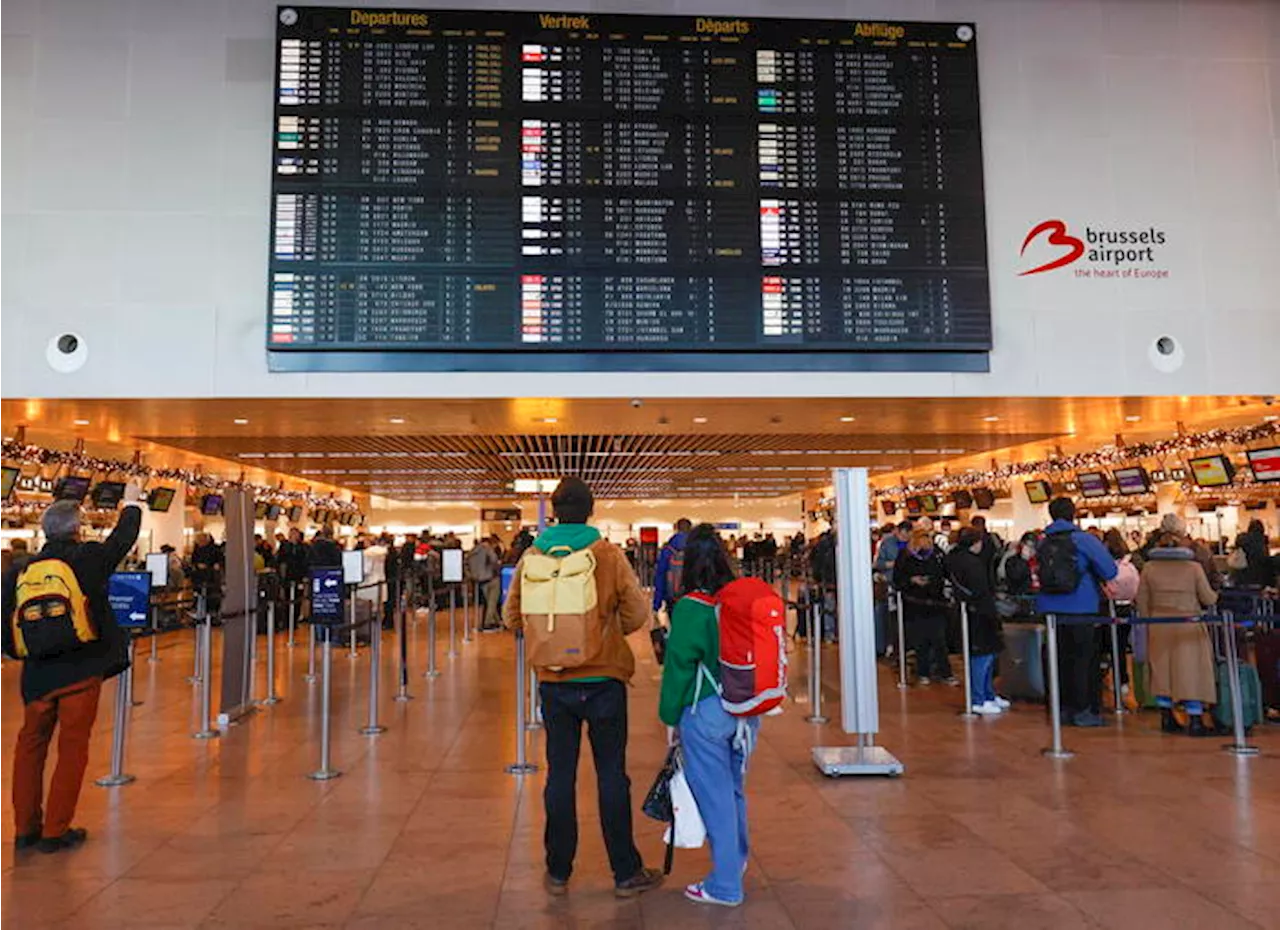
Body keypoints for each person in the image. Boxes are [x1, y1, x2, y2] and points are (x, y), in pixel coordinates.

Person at [502, 478, 662, 900]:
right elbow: (637, 611)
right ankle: (625, 872)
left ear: (554, 511)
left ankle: (557, 870)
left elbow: (511, 615)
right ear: (591, 511)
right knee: (612, 773)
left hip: (554, 682)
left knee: (560, 773)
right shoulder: (607, 554)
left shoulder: (533, 554)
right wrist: (604, 636)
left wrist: (547, 637)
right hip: (605, 679)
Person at [0, 483, 143, 853]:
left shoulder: (20, 570)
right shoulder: (87, 559)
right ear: (78, 529)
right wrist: (130, 502)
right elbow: (122, 539)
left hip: (37, 678)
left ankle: (24, 829)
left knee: (29, 748)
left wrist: (21, 653)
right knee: (72, 750)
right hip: (80, 670)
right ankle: (55, 830)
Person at [658, 524, 760, 908]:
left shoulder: (691, 607)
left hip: (707, 711)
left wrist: (670, 716)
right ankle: (737, 859)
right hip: (746, 710)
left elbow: (679, 667)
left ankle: (725, 885)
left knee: (713, 795)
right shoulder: (740, 599)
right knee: (733, 790)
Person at [1035, 497, 1118, 728]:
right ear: (1074, 514)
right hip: (1081, 608)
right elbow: (1110, 570)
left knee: (1056, 660)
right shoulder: (1084, 540)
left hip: (1050, 610)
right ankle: (1083, 711)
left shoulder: (1043, 541)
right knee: (1083, 661)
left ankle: (1060, 708)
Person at [1138, 532, 1219, 736]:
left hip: (1158, 624)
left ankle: (1167, 717)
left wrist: (1150, 621)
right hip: (1188, 624)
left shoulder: (1149, 568)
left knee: (1162, 670)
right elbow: (1208, 599)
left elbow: (1142, 601)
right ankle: (1195, 718)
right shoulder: (1193, 568)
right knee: (1192, 671)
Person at [948, 526, 1006, 714]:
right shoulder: (972, 563)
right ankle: (979, 698)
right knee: (982, 657)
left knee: (984, 657)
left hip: (968, 612)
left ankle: (987, 695)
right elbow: (981, 589)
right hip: (979, 613)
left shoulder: (954, 559)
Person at [893, 529, 955, 685]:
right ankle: (923, 672)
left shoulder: (937, 555)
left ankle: (944, 672)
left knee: (939, 640)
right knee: (921, 641)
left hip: (935, 603)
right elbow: (897, 579)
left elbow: (946, 573)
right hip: (915, 605)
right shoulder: (905, 556)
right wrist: (911, 581)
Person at [653, 518, 692, 617]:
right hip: (692, 598)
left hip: (672, 598)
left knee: (675, 627)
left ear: (676, 528)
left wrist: (656, 604)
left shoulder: (668, 550)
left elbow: (660, 576)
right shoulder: (696, 548)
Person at [468, 536, 502, 631]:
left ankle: (497, 621)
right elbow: (494, 560)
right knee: (492, 601)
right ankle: (488, 623)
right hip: (490, 577)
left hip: (479, 579)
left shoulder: (473, 551)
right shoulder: (487, 548)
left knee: (489, 601)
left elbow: (467, 564)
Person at [1230, 519, 1273, 589]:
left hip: (1240, 579)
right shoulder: (1262, 541)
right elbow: (1265, 560)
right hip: (1259, 580)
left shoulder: (1241, 540)